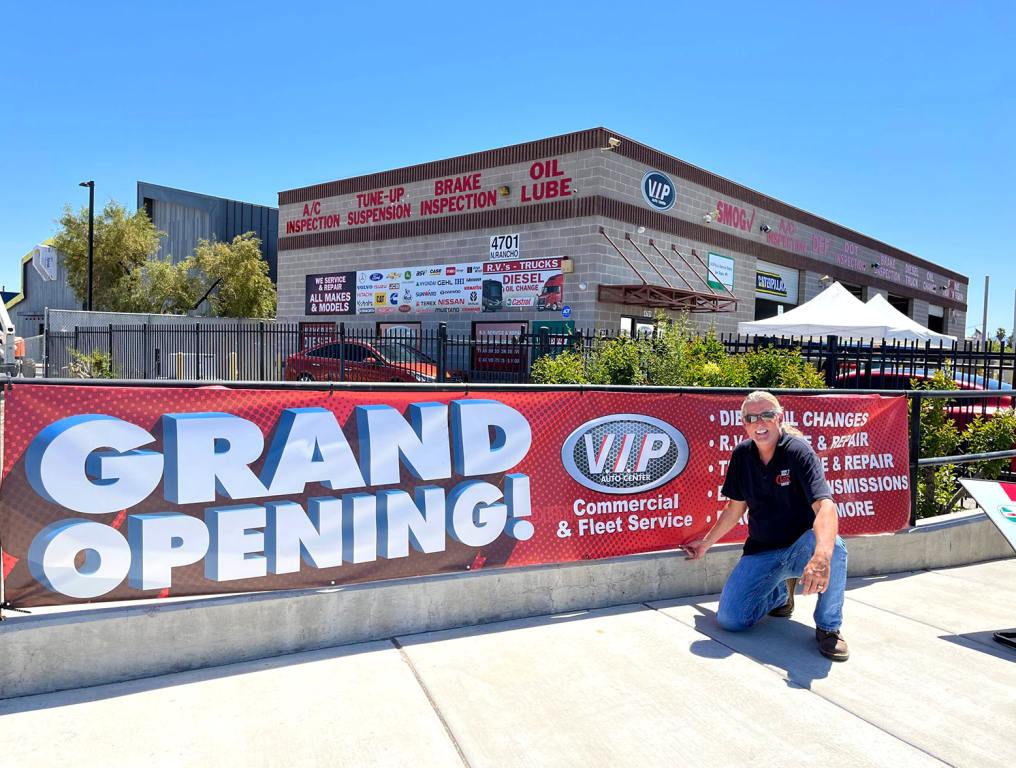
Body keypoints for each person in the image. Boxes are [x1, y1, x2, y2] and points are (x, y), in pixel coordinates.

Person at [683, 390, 850, 661]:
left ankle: (829, 627)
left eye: (767, 415)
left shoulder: (798, 452)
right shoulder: (741, 455)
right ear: (745, 424)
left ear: (779, 417)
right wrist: (705, 544)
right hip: (762, 550)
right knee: (730, 620)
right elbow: (735, 508)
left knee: (836, 548)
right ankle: (781, 595)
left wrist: (821, 555)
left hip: (799, 548)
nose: (759, 423)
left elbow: (826, 506)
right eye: (751, 418)